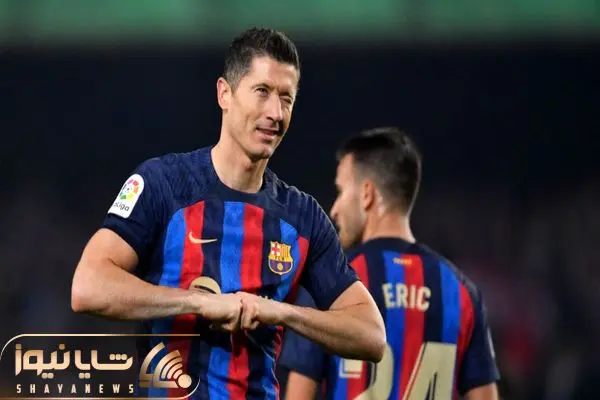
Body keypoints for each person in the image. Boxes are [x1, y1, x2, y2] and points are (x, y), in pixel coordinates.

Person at [70, 27, 385, 400]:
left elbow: (371, 335)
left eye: (286, 98)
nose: (276, 113)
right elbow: (88, 287)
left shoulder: (303, 218)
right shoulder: (163, 184)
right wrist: (198, 302)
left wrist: (283, 313)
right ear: (225, 93)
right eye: (262, 91)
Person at [279, 127, 500, 399]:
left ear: (367, 194)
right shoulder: (462, 292)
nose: (334, 209)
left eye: (341, 191)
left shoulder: (331, 284)